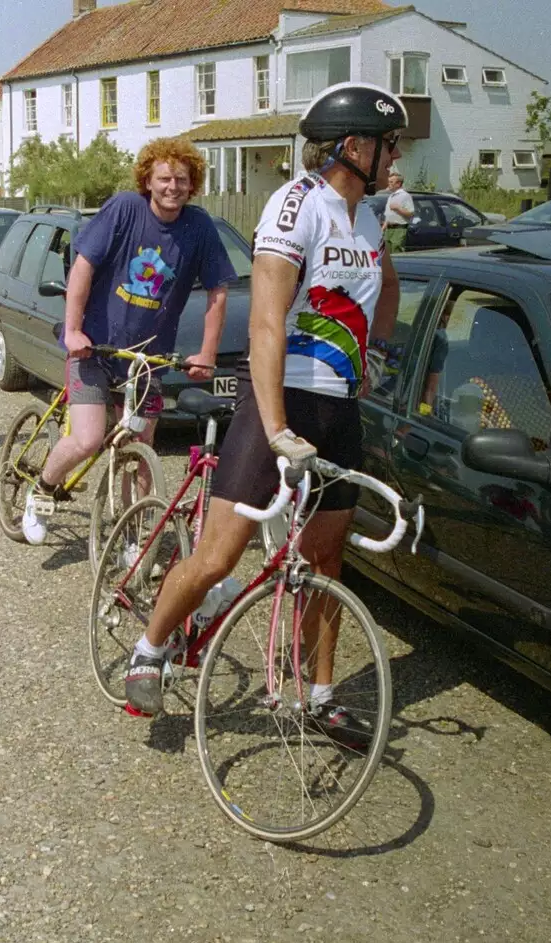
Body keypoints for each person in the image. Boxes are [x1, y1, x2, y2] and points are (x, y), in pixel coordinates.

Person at [123, 82, 407, 721]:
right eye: (390, 145)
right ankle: (148, 648)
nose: (397, 158)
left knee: (325, 562)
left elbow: (386, 285)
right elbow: (268, 325)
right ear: (354, 145)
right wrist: (276, 425)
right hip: (280, 403)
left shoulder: (369, 215)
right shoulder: (296, 204)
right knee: (219, 556)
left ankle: (319, 695)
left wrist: (378, 356)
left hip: (339, 407)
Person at [19, 136, 236, 545]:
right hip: (95, 349)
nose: (173, 187)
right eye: (165, 178)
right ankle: (42, 489)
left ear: (193, 184)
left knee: (140, 449)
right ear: (148, 180)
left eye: (182, 179)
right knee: (86, 439)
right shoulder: (124, 208)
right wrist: (73, 328)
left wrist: (207, 352)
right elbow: (83, 267)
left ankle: (134, 536)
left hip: (147, 359)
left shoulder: (199, 227)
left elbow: (218, 291)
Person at [382, 170, 415, 253]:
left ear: (398, 184)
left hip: (399, 228)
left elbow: (411, 214)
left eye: (391, 182)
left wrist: (398, 208)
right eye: (389, 182)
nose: (389, 184)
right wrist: (383, 228)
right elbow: (388, 215)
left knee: (397, 250)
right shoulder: (391, 196)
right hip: (389, 229)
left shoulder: (405, 196)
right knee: (387, 252)